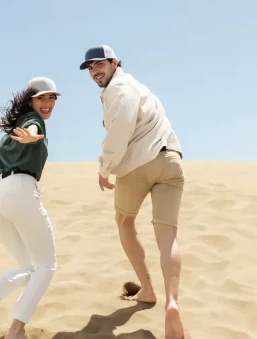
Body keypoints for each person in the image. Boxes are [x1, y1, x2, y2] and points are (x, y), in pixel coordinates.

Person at [79, 45, 187, 339]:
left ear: (115, 62)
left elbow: (120, 131)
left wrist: (104, 167)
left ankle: (149, 290)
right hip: (170, 161)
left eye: (99, 65)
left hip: (137, 164)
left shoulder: (121, 89)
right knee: (168, 234)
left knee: (125, 222)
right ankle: (173, 303)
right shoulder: (140, 87)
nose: (94, 71)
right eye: (89, 68)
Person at [0, 77, 61, 339]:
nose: (47, 103)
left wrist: (24, 142)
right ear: (29, 100)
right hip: (20, 191)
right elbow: (34, 131)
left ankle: (9, 321)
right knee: (47, 265)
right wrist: (32, 138)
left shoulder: (10, 133)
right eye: (41, 98)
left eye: (52, 98)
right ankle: (11, 320)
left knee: (31, 268)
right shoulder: (32, 122)